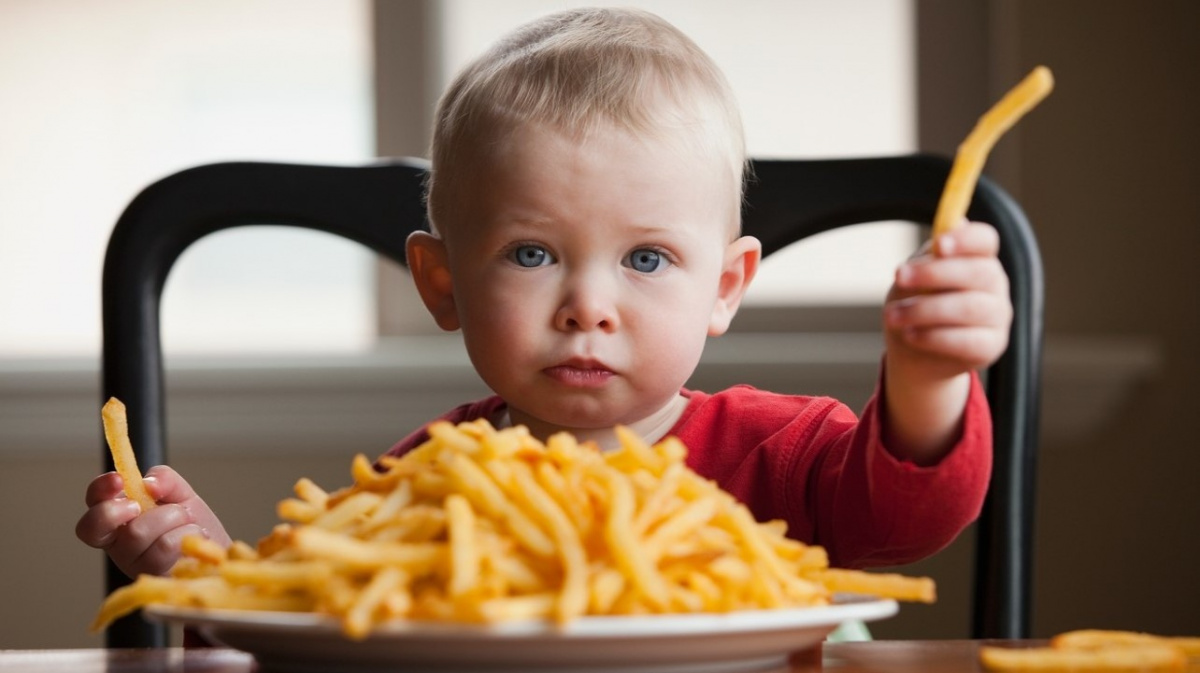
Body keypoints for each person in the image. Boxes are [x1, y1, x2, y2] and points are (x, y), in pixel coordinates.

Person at [77, 7, 1010, 580]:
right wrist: (206, 568)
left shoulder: (779, 456)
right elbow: (320, 639)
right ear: (444, 283)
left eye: (646, 260)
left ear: (725, 288)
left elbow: (907, 518)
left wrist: (929, 376)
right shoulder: (426, 484)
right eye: (531, 255)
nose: (587, 306)